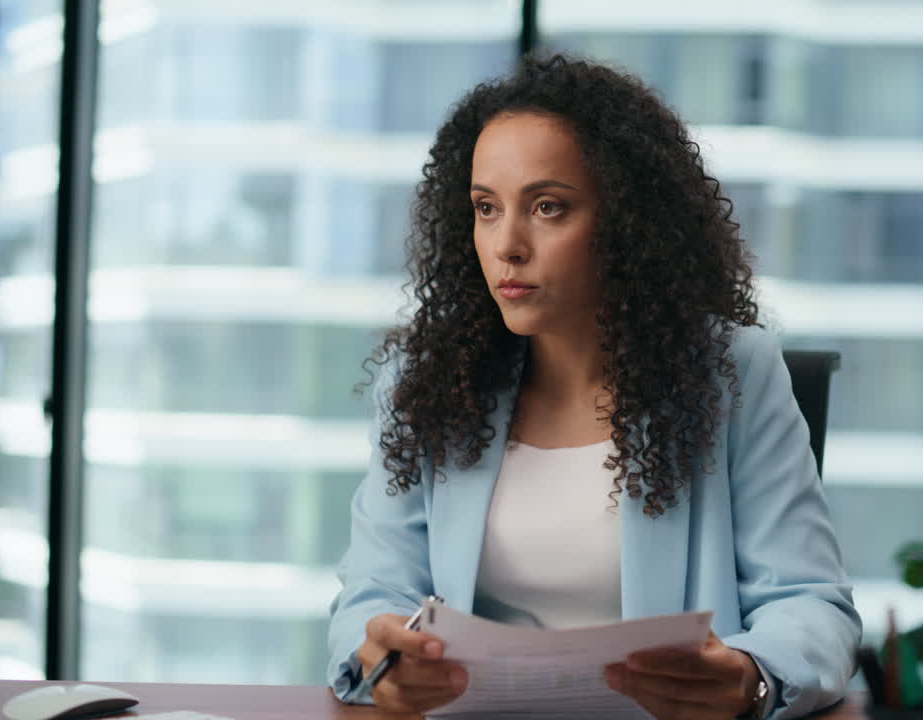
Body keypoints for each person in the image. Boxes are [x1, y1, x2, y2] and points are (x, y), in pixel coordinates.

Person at [327, 54, 861, 720]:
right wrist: (383, 659)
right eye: (486, 209)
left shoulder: (733, 374)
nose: (507, 245)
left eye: (548, 207)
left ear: (627, 223)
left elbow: (811, 604)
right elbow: (371, 596)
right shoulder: (424, 382)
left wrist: (752, 678)